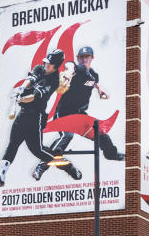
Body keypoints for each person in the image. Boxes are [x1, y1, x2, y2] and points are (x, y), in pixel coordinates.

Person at [33, 45, 124, 180]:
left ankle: (111, 154)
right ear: (78, 58)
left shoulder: (94, 75)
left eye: (86, 57)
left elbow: (93, 81)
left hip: (80, 116)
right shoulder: (77, 69)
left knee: (102, 135)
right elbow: (70, 65)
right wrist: (69, 70)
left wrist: (99, 89)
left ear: (92, 58)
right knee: (67, 137)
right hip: (64, 113)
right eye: (81, 57)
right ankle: (42, 165)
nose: (84, 59)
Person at [0, 49, 64, 187]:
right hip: (23, 113)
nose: (46, 65)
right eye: (46, 62)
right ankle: (1, 172)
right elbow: (31, 79)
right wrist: (21, 88)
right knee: (13, 143)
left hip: (36, 117)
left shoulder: (54, 80)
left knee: (36, 150)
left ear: (56, 66)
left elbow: (33, 97)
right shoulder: (40, 67)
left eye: (50, 64)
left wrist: (20, 98)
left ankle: (63, 163)